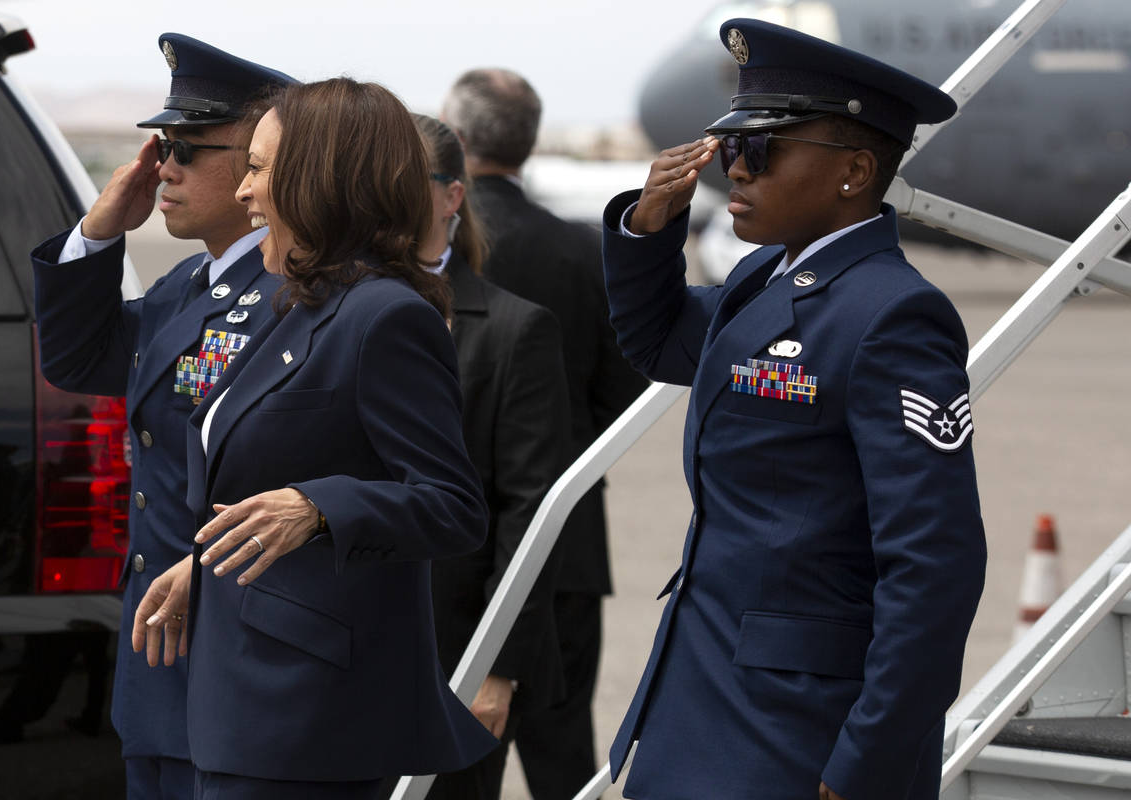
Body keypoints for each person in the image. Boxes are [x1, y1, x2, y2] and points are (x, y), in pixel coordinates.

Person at [601, 19, 987, 800]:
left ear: (852, 173)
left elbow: (935, 568)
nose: (733, 172)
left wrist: (866, 764)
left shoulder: (893, 317)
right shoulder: (762, 282)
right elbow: (659, 343)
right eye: (731, 150)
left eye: (758, 152)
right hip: (701, 703)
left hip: (801, 737)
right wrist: (650, 228)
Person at [133, 77, 496, 799]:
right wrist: (203, 569)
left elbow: (453, 506)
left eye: (261, 169)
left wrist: (319, 506)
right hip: (234, 695)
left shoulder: (383, 317)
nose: (244, 191)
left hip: (307, 715)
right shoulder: (291, 305)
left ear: (320, 181)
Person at [30, 33, 292, 800]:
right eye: (161, 147)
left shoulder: (302, 299)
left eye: (186, 148)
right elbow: (80, 363)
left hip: (240, 658)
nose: (163, 168)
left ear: (256, 163)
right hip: (160, 661)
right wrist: (99, 232)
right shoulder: (187, 287)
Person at [441, 69, 648, 799]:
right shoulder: (583, 249)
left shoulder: (439, 257)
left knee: (452, 769)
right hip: (569, 542)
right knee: (563, 759)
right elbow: (626, 399)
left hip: (458, 554)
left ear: (457, 140)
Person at [412, 114, 570, 800]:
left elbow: (531, 511)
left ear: (452, 196)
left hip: (454, 651)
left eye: (404, 184)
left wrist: (495, 665)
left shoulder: (513, 329)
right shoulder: (323, 310)